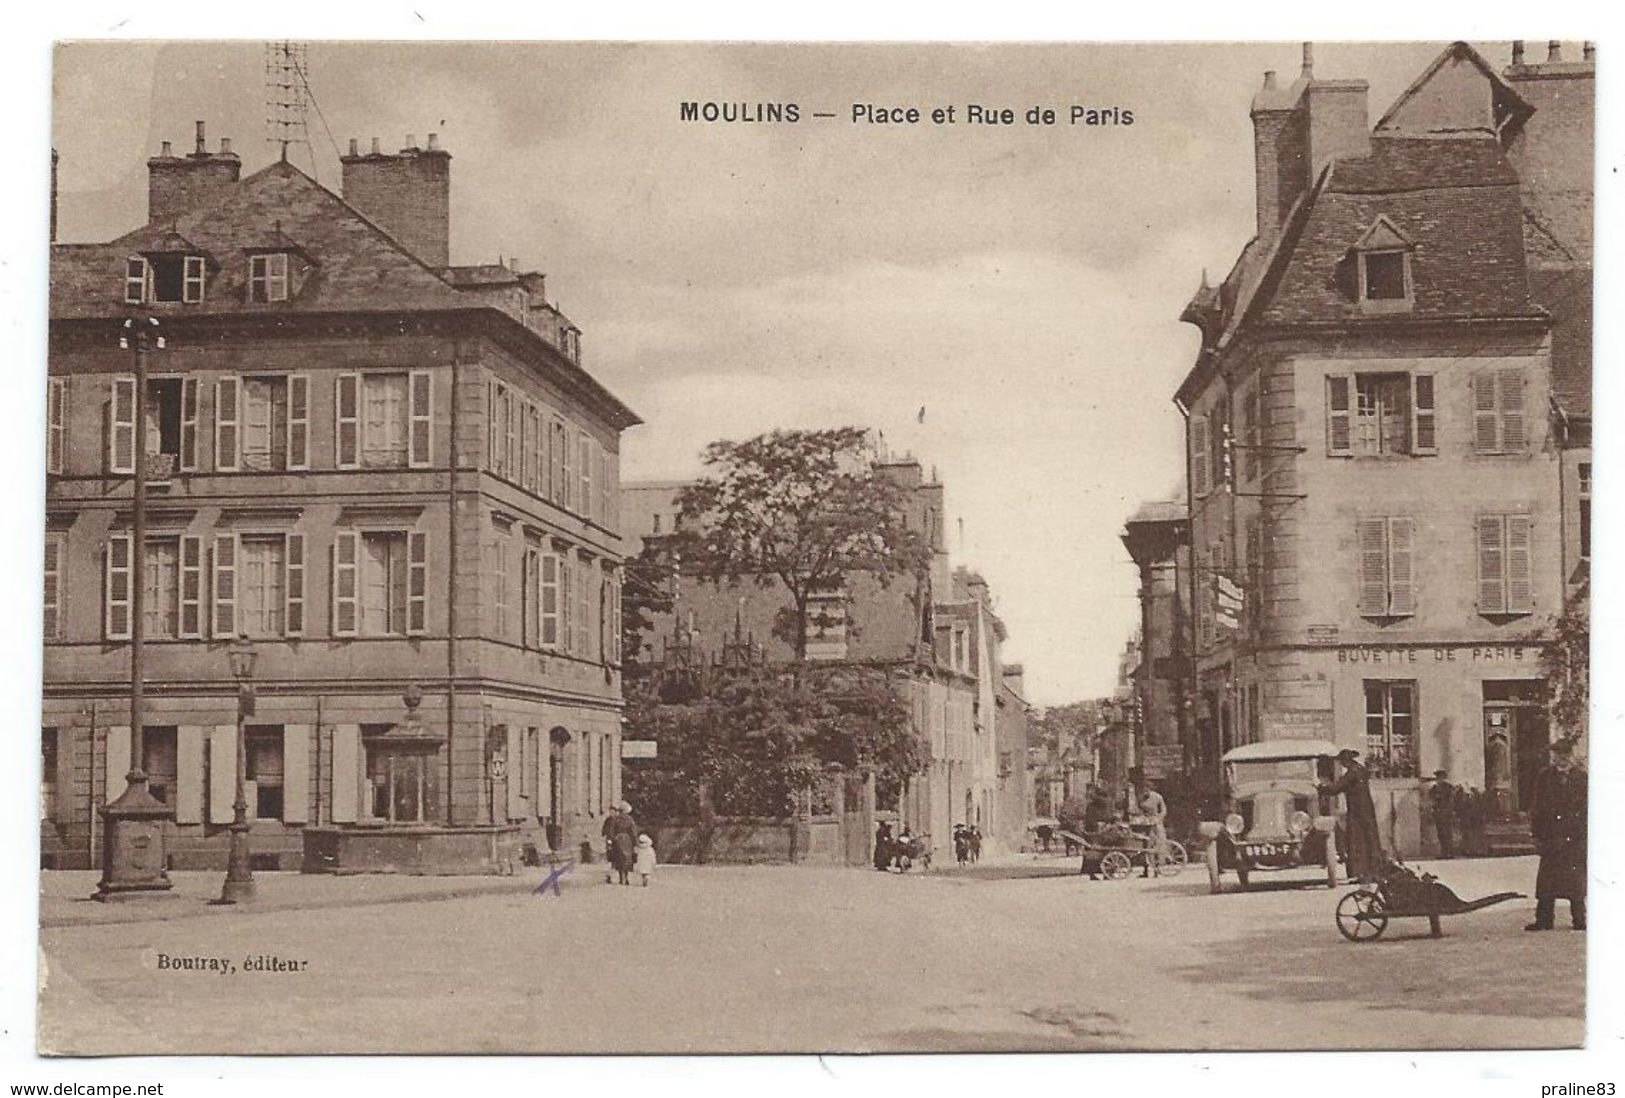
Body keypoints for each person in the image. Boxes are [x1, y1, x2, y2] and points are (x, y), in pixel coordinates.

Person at [1527, 740, 1587, 932]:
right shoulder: (1545, 777)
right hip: (1551, 837)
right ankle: (1544, 920)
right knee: (1547, 882)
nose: (1561, 758)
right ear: (1553, 756)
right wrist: (1536, 835)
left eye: (1565, 754)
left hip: (1574, 837)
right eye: (1557, 754)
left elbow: (1589, 808)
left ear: (1570, 755)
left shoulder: (1581, 778)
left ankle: (1579, 919)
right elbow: (1537, 807)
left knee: (1575, 882)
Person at [1320, 748, 1383, 883]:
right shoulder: (1360, 769)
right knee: (1369, 839)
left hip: (1357, 811)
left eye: (1342, 761)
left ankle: (1361, 873)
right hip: (1366, 809)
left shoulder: (1352, 773)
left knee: (1357, 840)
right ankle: (1371, 872)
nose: (1342, 764)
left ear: (1346, 761)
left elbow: (1336, 788)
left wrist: (1321, 788)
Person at [605, 799, 638, 886]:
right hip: (628, 840)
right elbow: (633, 831)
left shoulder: (616, 819)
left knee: (619, 858)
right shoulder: (630, 819)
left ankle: (621, 877)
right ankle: (626, 877)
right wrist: (635, 842)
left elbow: (611, 830)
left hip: (618, 839)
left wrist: (612, 839)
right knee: (627, 858)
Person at [1139, 784, 1169, 878]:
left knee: (1158, 845)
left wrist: (1158, 818)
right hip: (1145, 824)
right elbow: (1140, 810)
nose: (1145, 792)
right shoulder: (1141, 799)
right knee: (1146, 847)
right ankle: (1146, 870)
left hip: (1156, 824)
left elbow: (1164, 810)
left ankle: (1157, 869)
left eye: (1146, 790)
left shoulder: (1158, 797)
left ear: (1150, 789)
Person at [1426, 769, 1457, 859]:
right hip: (1438, 813)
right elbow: (1431, 798)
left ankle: (1449, 853)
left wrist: (1450, 810)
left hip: (1447, 813)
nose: (1438, 779)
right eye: (1437, 777)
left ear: (1443, 778)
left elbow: (1451, 800)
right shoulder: (1435, 788)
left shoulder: (1448, 787)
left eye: (1439, 777)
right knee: (1441, 833)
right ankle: (1444, 852)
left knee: (1448, 833)